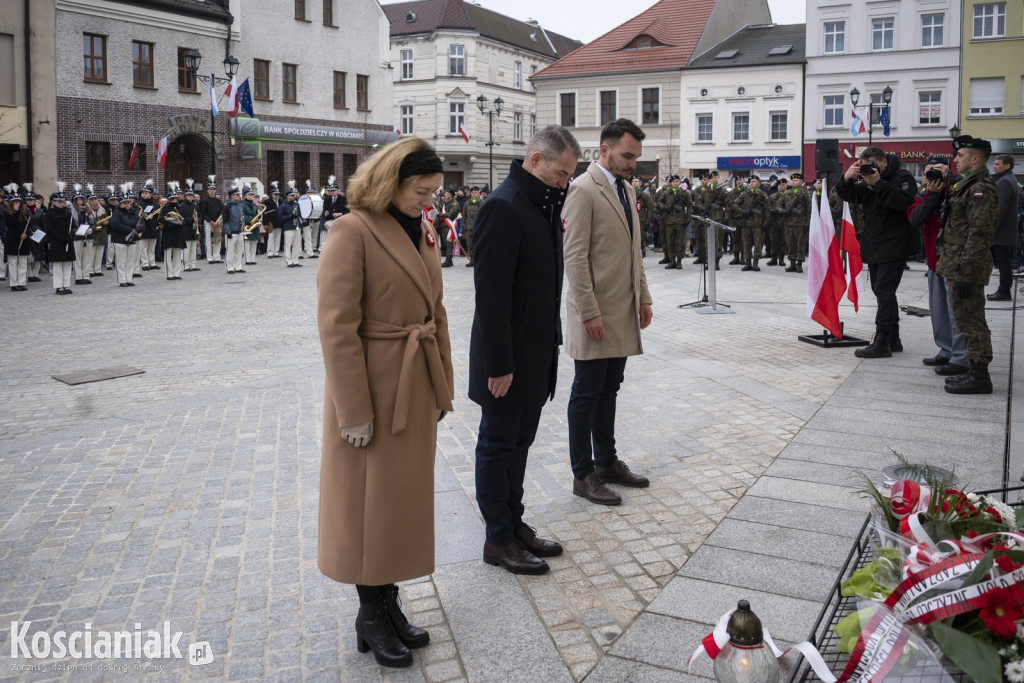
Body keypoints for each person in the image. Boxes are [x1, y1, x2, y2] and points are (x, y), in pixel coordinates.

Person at [316, 137, 453, 669]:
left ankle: (387, 603)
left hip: (413, 383)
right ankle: (370, 613)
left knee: (396, 504)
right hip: (372, 389)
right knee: (367, 509)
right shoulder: (351, 230)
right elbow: (336, 329)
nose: (429, 201)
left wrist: (439, 380)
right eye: (421, 191)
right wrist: (353, 410)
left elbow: (435, 311)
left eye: (433, 193)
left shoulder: (418, 227)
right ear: (390, 182)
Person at [469, 125, 580, 576]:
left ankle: (514, 524)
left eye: (569, 175)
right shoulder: (505, 206)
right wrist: (499, 364)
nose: (565, 182)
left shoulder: (543, 202)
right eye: (560, 173)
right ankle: (498, 538)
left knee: (520, 443)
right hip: (506, 358)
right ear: (535, 160)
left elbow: (543, 284)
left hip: (535, 352)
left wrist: (550, 337)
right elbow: (490, 295)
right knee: (498, 446)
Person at [562, 118, 653, 507]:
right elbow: (575, 257)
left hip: (622, 310)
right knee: (586, 391)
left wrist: (644, 298)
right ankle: (583, 475)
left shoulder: (625, 188)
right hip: (596, 313)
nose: (633, 163)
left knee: (609, 388)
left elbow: (634, 251)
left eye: (636, 157)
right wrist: (588, 311)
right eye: (627, 155)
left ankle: (607, 461)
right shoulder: (583, 189)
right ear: (604, 149)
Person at [836, 146, 918, 358]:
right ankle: (894, 338)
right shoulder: (867, 179)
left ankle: (882, 340)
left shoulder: (902, 176)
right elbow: (849, 196)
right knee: (882, 291)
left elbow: (903, 202)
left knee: (883, 289)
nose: (868, 169)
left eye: (872, 165)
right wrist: (846, 179)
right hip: (875, 243)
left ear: (883, 162)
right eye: (864, 166)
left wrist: (877, 183)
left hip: (896, 243)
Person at [939, 136, 1000, 394]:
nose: (955, 160)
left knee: (972, 320)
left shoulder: (981, 189)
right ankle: (975, 370)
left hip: (967, 267)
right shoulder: (967, 185)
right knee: (966, 319)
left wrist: (965, 270)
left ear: (975, 159)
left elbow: (979, 234)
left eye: (960, 156)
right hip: (956, 263)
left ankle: (979, 375)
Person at [908, 157, 969, 377]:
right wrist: (933, 194)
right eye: (927, 173)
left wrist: (949, 183)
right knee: (939, 309)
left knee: (957, 311)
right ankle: (946, 349)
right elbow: (915, 219)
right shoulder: (926, 193)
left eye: (935, 172)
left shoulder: (959, 188)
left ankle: (961, 356)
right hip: (934, 260)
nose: (930, 177)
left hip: (955, 261)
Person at [987, 155, 1022, 301]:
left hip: (1002, 232)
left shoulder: (1005, 182)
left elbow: (999, 209)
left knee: (1003, 263)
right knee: (1004, 262)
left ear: (1007, 165)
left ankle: (1004, 291)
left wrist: (991, 230)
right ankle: (1003, 290)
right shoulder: (1010, 179)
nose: (994, 166)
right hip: (1007, 231)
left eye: (997, 164)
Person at [42, 184, 78, 295]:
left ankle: (66, 284)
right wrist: (62, 238)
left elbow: (74, 226)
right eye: (58, 201)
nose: (60, 203)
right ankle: (59, 286)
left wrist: (71, 234)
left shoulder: (68, 213)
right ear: (53, 202)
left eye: (62, 201)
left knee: (67, 265)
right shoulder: (50, 214)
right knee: (58, 266)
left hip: (68, 241)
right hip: (57, 242)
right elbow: (50, 229)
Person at [731, 176, 769, 271]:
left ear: (758, 183)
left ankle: (755, 263)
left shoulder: (762, 195)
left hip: (757, 224)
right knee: (746, 243)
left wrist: (765, 223)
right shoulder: (744, 194)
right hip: (746, 223)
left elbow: (767, 210)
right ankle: (748, 262)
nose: (751, 183)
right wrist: (743, 211)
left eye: (754, 181)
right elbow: (735, 204)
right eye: (750, 181)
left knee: (758, 244)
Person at [109, 187, 141, 287]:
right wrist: (130, 230)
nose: (127, 205)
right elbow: (115, 225)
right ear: (121, 204)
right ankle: (122, 280)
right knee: (121, 261)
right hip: (120, 239)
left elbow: (140, 222)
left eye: (128, 203)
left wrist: (139, 230)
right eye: (125, 203)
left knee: (130, 260)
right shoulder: (117, 213)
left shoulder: (133, 212)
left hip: (131, 239)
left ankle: (129, 278)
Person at [3, 186, 30, 291]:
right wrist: (15, 211)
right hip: (12, 240)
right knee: (13, 263)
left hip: (23, 240)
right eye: (15, 202)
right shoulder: (6, 213)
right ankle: (14, 284)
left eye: (18, 202)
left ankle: (21, 282)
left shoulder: (25, 213)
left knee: (22, 262)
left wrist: (26, 234)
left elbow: (28, 225)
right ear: (11, 203)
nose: (17, 204)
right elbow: (12, 224)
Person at [159, 182, 186, 280]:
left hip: (178, 232)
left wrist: (181, 222)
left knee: (178, 253)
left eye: (175, 199)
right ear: (169, 200)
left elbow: (183, 218)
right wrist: (170, 223)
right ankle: (169, 273)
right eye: (172, 199)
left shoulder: (179, 208)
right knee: (168, 253)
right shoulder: (165, 208)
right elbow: (161, 219)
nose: (174, 200)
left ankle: (176, 272)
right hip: (169, 232)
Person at [137, 180, 160, 271]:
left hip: (153, 227)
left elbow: (159, 216)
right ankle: (145, 264)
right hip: (144, 228)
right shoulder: (139, 204)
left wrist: (154, 217)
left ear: (151, 194)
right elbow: (137, 215)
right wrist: (144, 215)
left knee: (151, 247)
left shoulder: (156, 205)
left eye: (146, 193)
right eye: (143, 193)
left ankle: (152, 263)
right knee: (143, 248)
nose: (144, 195)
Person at [222, 183, 245, 274]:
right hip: (231, 232)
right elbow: (225, 221)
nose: (238, 196)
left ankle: (238, 266)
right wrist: (228, 232)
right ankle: (230, 267)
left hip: (239, 231)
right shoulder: (227, 206)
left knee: (239, 251)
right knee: (230, 251)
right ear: (232, 196)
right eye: (236, 195)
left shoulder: (239, 205)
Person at [199, 177, 223, 264]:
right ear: (207, 191)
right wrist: (210, 221)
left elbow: (221, 211)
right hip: (209, 222)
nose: (212, 191)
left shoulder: (218, 201)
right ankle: (209, 258)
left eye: (213, 189)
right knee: (208, 240)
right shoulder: (204, 201)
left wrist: (220, 221)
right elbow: (203, 213)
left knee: (217, 239)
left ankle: (217, 257)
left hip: (217, 222)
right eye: (210, 189)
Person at [180, 181, 201, 272]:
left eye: (192, 196)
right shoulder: (181, 206)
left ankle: (193, 264)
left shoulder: (195, 206)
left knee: (193, 249)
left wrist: (197, 220)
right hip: (186, 229)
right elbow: (182, 219)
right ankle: (186, 265)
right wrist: (192, 220)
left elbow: (199, 216)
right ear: (185, 196)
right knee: (186, 249)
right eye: (189, 196)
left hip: (193, 230)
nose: (191, 197)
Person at [280, 183, 302, 267]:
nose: (294, 197)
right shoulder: (283, 205)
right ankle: (289, 260)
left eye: (294, 195)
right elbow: (281, 218)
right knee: (288, 245)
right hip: (289, 227)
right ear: (287, 196)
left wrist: (300, 226)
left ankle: (295, 260)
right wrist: (290, 216)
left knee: (297, 245)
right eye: (292, 195)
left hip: (297, 227)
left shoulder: (297, 204)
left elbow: (300, 215)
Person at [460, 186, 482, 266]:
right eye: (472, 193)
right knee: (470, 244)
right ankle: (472, 260)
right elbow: (464, 215)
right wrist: (464, 226)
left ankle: (478, 260)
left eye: (475, 193)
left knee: (478, 244)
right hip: (469, 227)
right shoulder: (468, 202)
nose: (474, 194)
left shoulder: (481, 202)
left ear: (479, 193)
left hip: (478, 227)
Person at [241, 185, 261, 266]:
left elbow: (256, 213)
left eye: (251, 195)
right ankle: (247, 260)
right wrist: (250, 220)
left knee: (254, 242)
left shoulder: (253, 204)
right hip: (247, 225)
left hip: (254, 225)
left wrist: (258, 216)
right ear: (245, 196)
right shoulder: (242, 204)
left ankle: (253, 259)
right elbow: (243, 215)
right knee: (247, 243)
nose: (251, 196)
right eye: (249, 195)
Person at [264, 182, 283, 258]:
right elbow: (265, 213)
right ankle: (270, 252)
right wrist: (265, 223)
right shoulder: (267, 202)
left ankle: (276, 252)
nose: (277, 195)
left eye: (278, 194)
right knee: (271, 237)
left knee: (278, 237)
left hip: (279, 222)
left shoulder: (281, 201)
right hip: (271, 222)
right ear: (272, 195)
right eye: (275, 194)